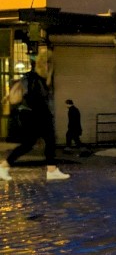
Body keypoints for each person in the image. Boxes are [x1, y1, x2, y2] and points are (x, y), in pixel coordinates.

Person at [0, 51, 70, 181]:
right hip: (37, 116)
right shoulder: (36, 78)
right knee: (48, 140)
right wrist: (47, 115)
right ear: (45, 64)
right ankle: (51, 170)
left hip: (33, 116)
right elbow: (34, 98)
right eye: (48, 63)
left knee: (29, 144)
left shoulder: (34, 77)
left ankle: (5, 166)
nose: (49, 67)